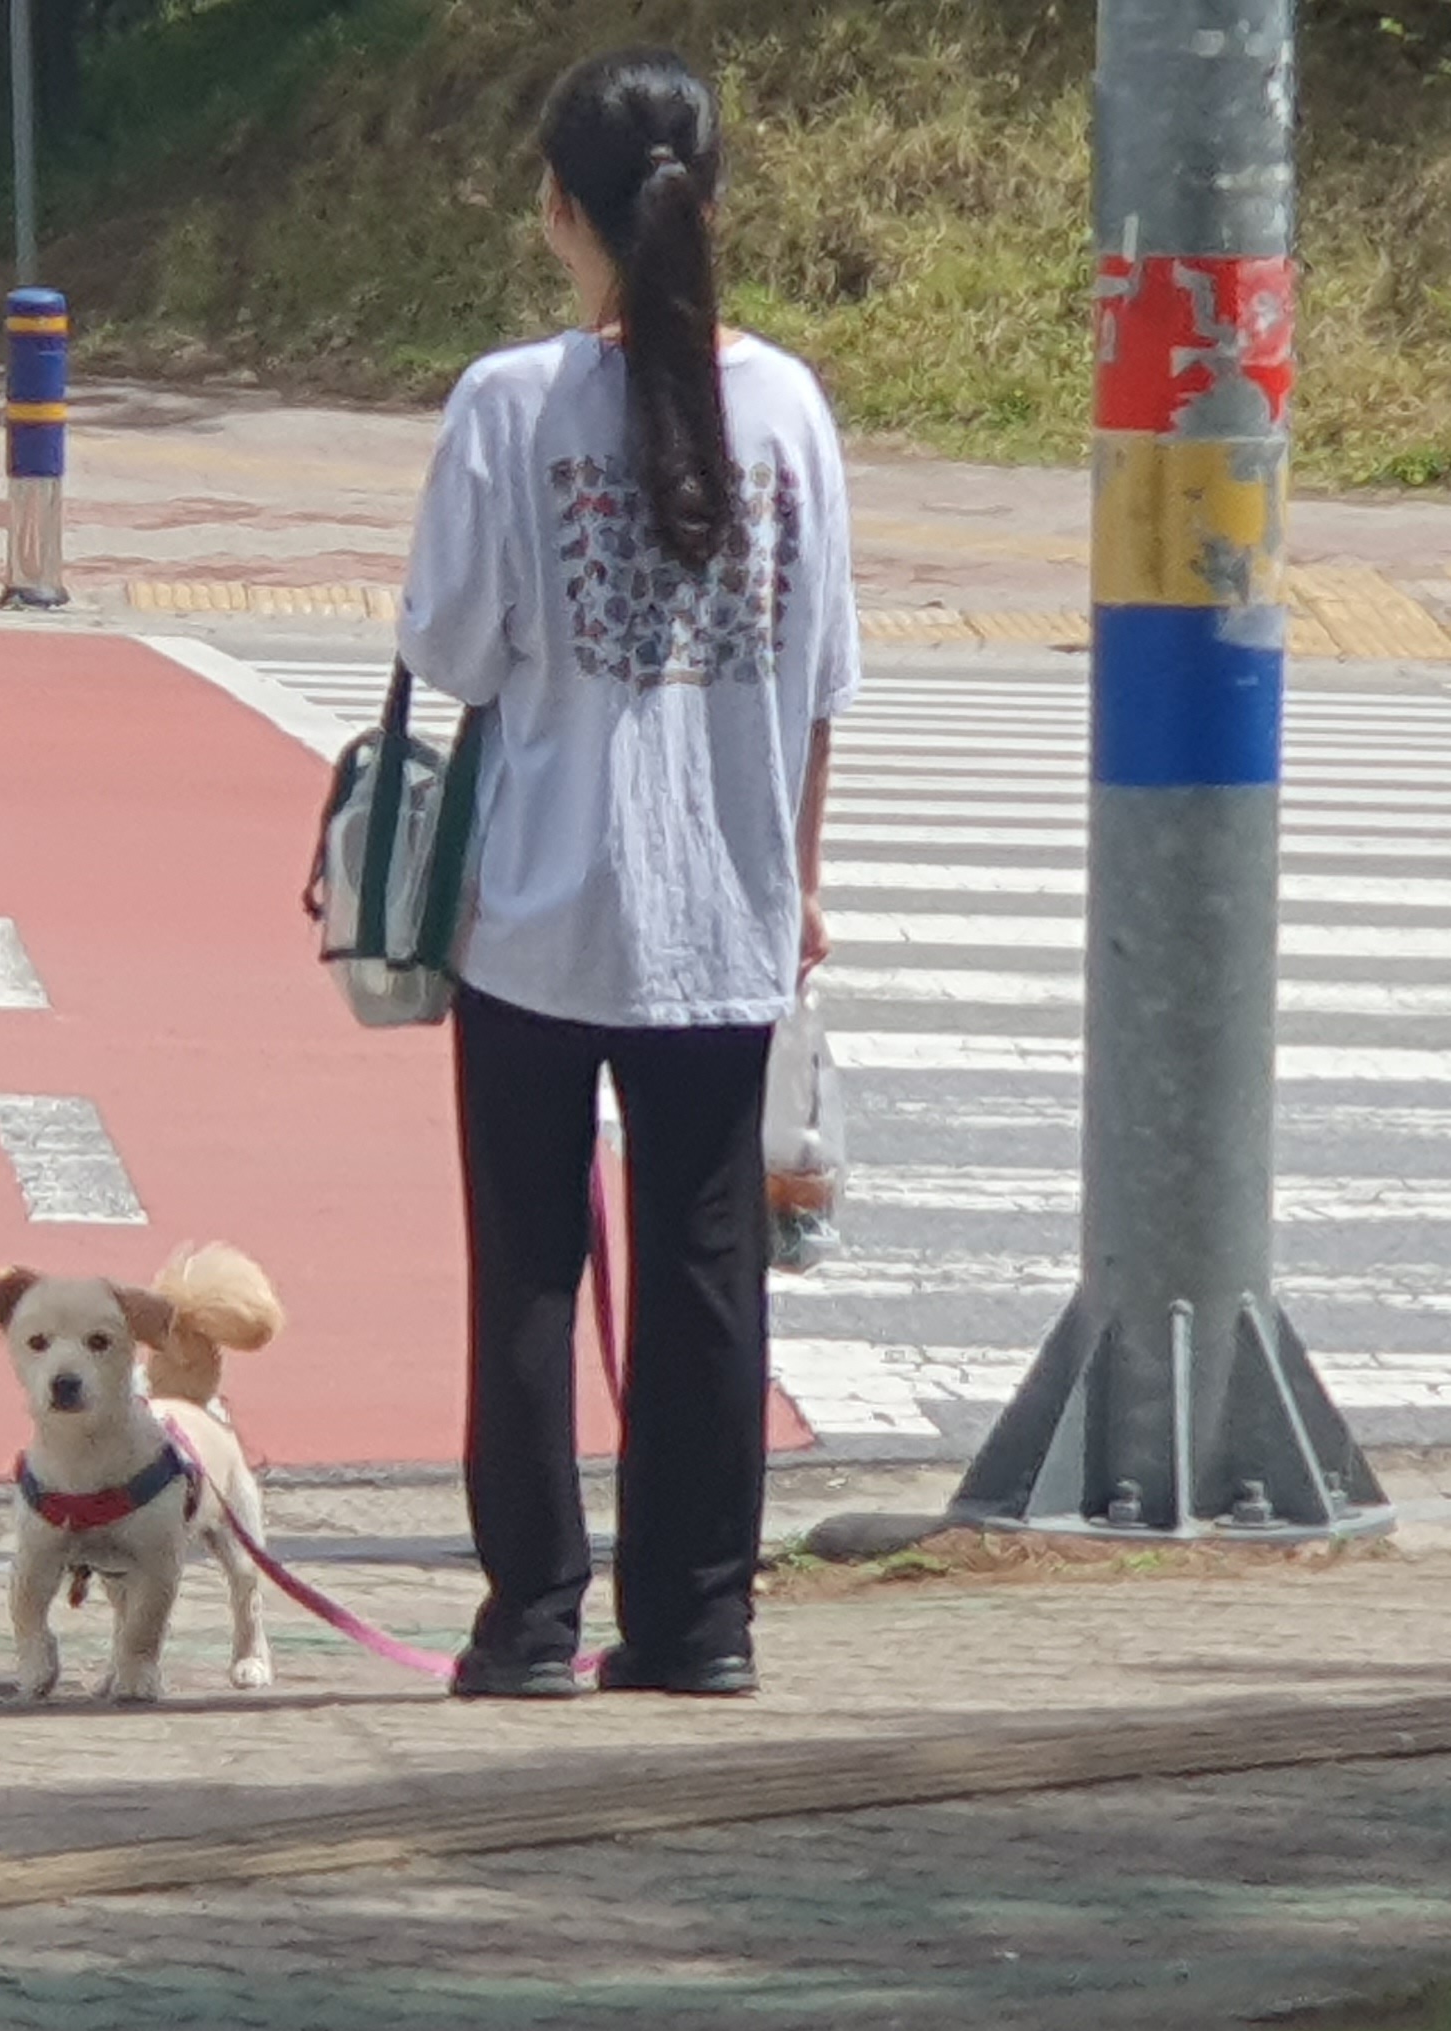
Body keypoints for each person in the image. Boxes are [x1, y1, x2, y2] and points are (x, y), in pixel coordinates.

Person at [399, 46, 859, 1703]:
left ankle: (526, 1623)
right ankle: (696, 1625)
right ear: (714, 201)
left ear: (555, 210)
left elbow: (448, 643)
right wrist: (795, 887)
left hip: (533, 906)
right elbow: (817, 683)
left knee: (527, 1265)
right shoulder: (791, 408)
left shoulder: (507, 404)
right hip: (722, 909)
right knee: (706, 1270)